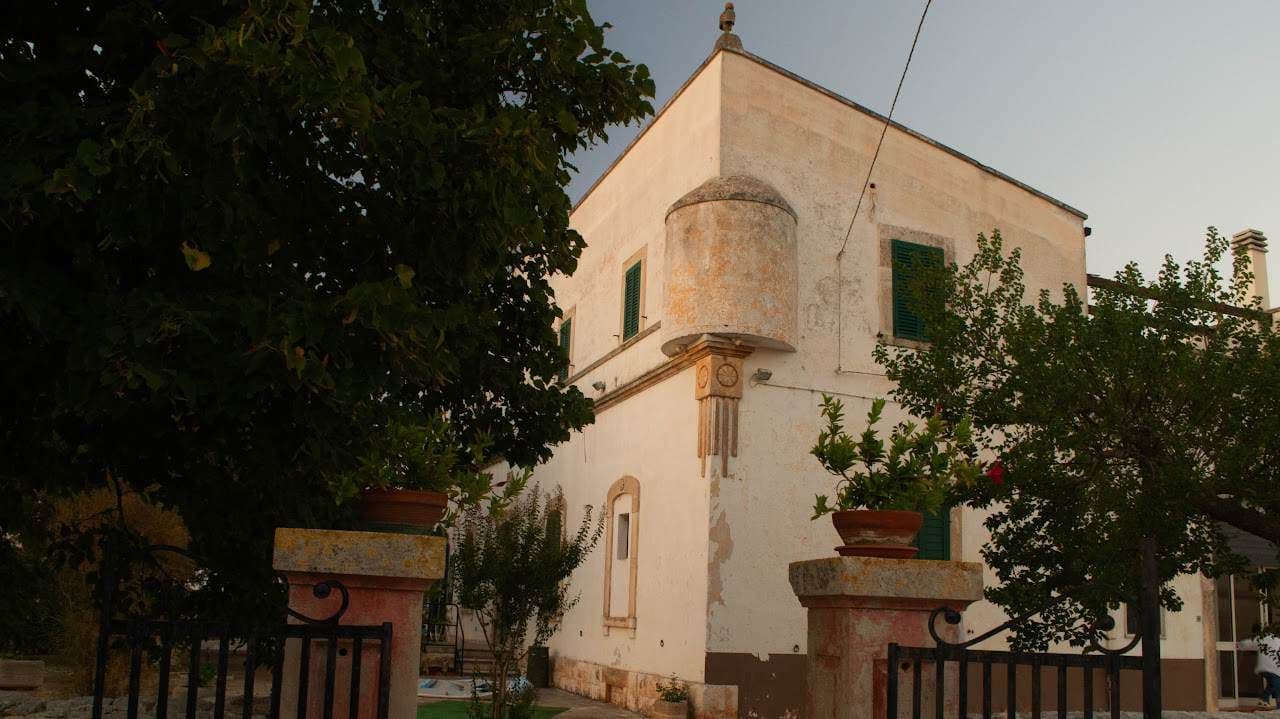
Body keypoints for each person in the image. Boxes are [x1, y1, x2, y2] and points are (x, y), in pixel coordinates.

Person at [1240, 629, 1280, 708]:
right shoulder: (1272, 640)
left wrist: (1240, 645)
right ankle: (1263, 699)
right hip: (1271, 668)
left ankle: (1270, 702)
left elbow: (1249, 643)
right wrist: (1239, 645)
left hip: (1265, 668)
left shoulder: (1263, 639)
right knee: (1275, 684)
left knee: (1274, 684)